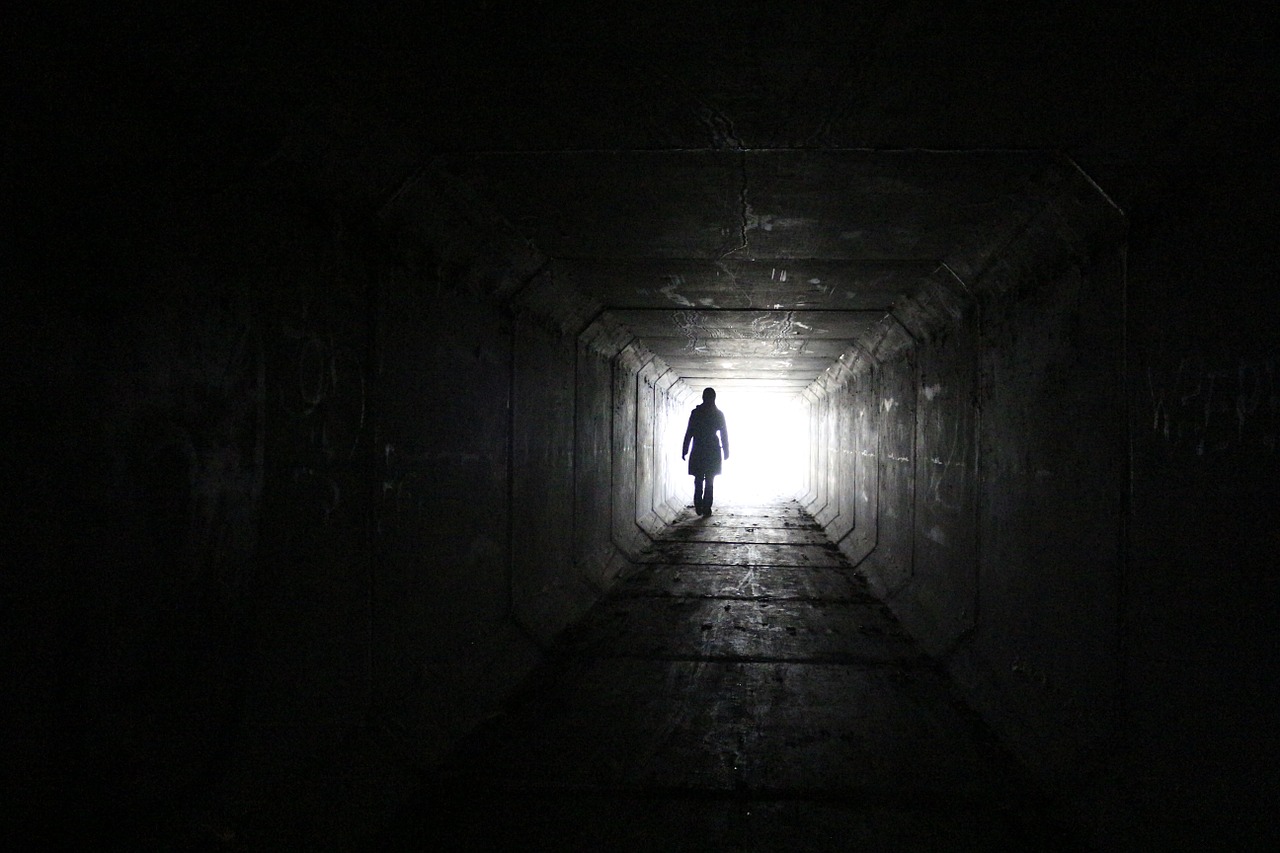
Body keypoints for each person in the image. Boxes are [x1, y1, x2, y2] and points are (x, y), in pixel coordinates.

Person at [681, 387, 729, 517]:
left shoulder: (696, 413)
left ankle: (698, 505)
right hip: (712, 450)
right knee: (709, 481)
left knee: (698, 480)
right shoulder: (718, 414)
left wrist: (685, 449)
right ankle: (706, 507)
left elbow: (689, 432)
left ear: (703, 397)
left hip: (698, 449)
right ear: (714, 398)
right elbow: (724, 434)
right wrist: (726, 450)